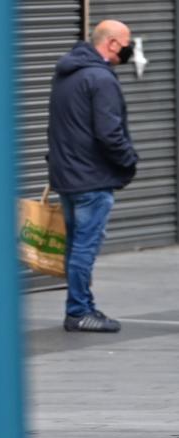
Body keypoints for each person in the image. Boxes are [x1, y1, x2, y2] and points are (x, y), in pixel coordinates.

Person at [46, 19, 139, 333]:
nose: (129, 49)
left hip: (68, 176)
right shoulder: (100, 79)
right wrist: (129, 162)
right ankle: (79, 311)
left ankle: (79, 307)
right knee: (84, 247)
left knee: (76, 246)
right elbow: (109, 133)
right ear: (112, 43)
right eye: (127, 43)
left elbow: (59, 128)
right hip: (92, 178)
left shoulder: (65, 75)